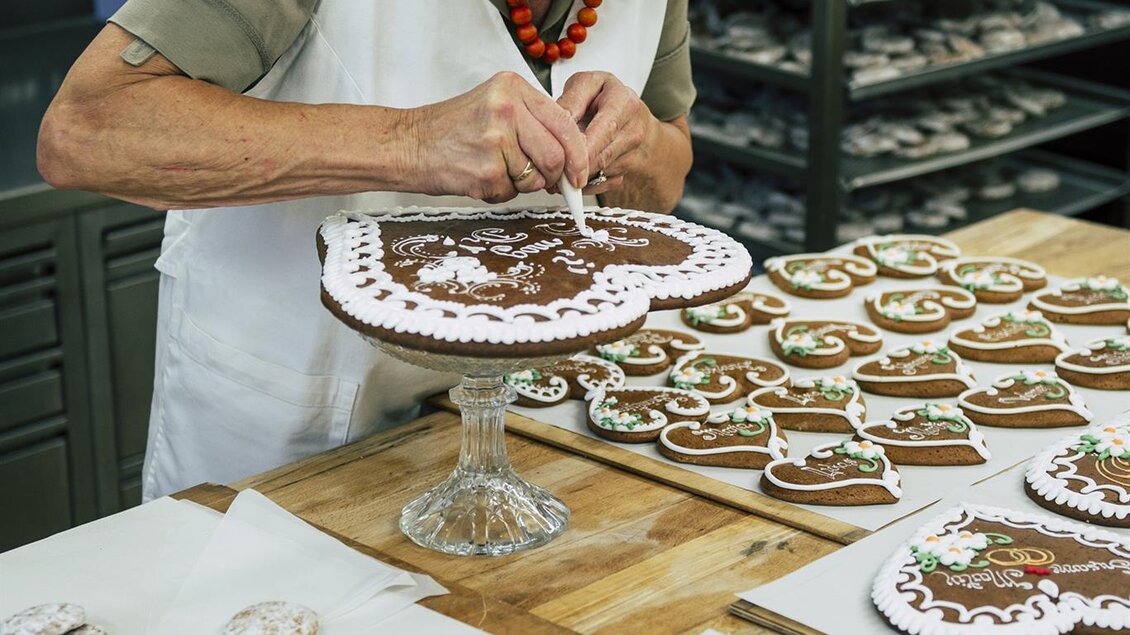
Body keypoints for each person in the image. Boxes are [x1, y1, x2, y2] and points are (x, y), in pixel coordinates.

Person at [38, 0, 696, 500]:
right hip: (297, 427)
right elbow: (86, 133)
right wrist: (411, 141)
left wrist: (638, 146)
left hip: (527, 436)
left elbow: (666, 179)